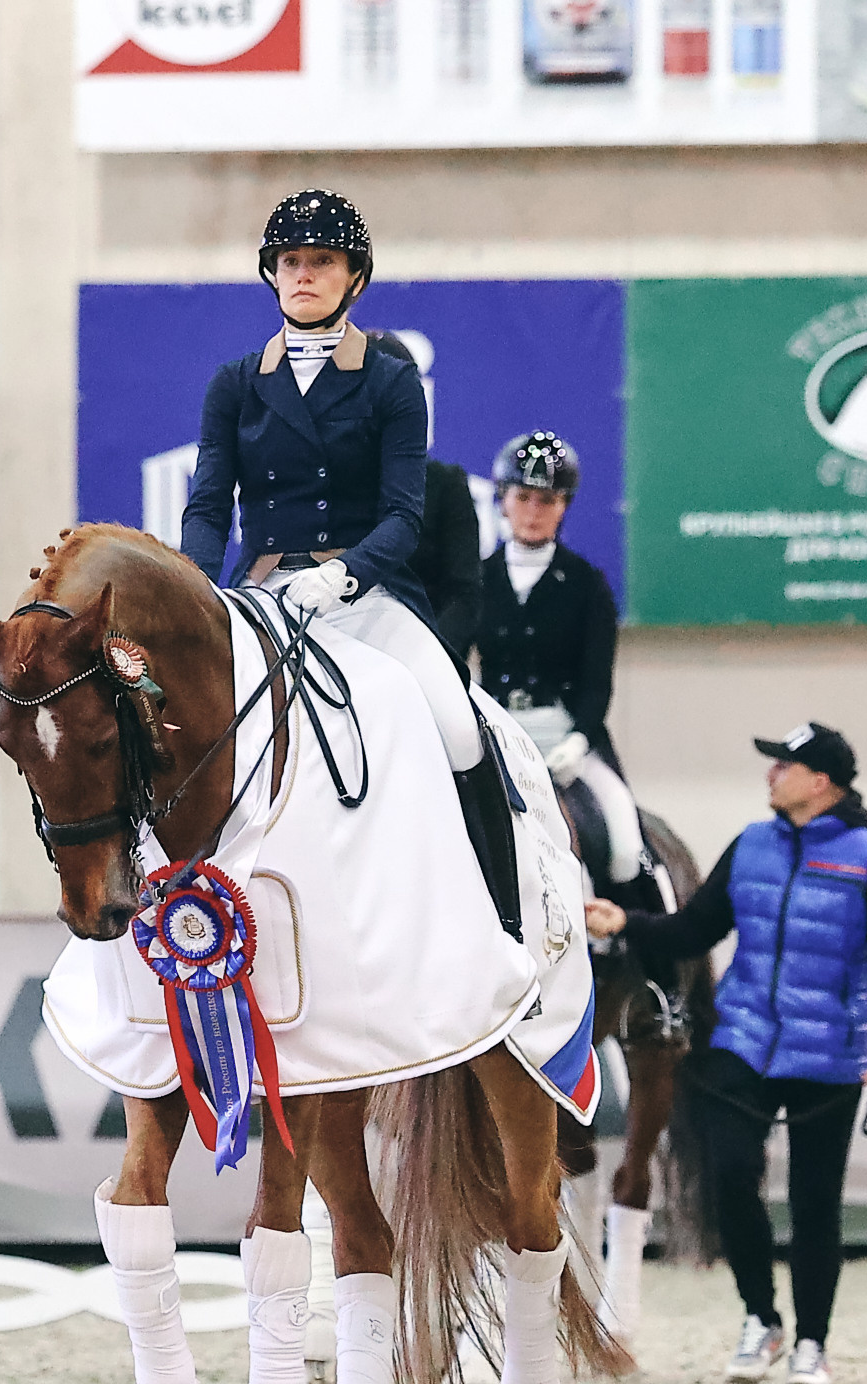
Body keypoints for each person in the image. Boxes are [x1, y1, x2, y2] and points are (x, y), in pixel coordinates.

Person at [179, 188, 520, 940]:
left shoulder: (390, 381)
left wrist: (342, 575)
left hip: (364, 592)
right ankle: (175, 913)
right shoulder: (234, 383)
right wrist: (200, 590)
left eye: (321, 261)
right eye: (291, 262)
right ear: (273, 273)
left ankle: (504, 927)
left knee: (459, 728)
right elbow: (208, 506)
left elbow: (404, 515)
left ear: (354, 277)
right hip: (262, 591)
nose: (304, 274)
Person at [582, 723, 867, 1384]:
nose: (771, 776)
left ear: (821, 781)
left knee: (817, 1200)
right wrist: (628, 922)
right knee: (732, 1173)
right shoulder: (752, 845)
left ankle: (813, 1342)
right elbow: (695, 928)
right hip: (743, 1041)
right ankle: (761, 1318)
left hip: (829, 1052)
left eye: (783, 766)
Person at [475, 430, 647, 897]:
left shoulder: (587, 584)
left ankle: (636, 954)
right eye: (523, 497)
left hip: (566, 733)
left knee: (627, 844)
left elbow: (597, 684)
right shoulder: (477, 580)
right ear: (504, 500)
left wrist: (578, 740)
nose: (533, 511)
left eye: (547, 500)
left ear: (564, 505)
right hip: (495, 731)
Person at [363, 329, 483, 666]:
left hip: (422, 651)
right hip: (331, 655)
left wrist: (429, 656)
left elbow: (464, 593)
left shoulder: (445, 485)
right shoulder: (317, 482)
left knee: (460, 721)